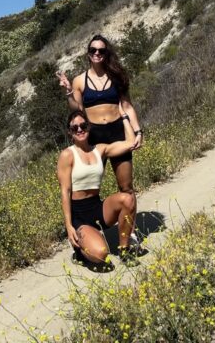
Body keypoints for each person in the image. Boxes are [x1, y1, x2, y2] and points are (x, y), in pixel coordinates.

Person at [56, 34, 144, 196]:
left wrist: (138, 132)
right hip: (94, 136)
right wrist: (69, 92)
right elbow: (77, 110)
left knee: (126, 187)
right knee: (89, 189)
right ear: (88, 53)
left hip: (118, 132)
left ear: (106, 53)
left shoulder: (117, 77)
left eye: (101, 51)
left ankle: (129, 213)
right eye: (93, 50)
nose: (97, 53)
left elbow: (127, 106)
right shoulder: (79, 81)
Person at [56, 110, 139, 266]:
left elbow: (130, 143)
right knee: (101, 254)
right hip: (79, 215)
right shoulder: (67, 155)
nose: (80, 130)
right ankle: (79, 252)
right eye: (75, 128)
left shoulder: (100, 150)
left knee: (128, 199)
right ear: (70, 132)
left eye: (83, 126)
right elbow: (65, 192)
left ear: (89, 127)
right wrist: (68, 226)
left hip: (97, 207)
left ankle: (124, 250)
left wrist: (124, 116)